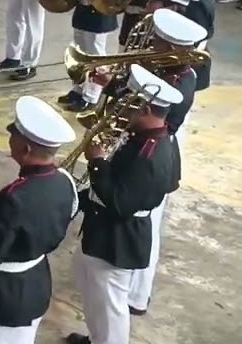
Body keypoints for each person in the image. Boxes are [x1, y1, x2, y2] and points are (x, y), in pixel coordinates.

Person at [68, 62, 183, 344]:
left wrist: (97, 162)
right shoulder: (159, 137)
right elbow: (172, 181)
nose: (122, 110)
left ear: (145, 110)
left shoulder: (149, 152)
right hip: (105, 232)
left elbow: (120, 203)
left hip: (117, 240)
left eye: (130, 105)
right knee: (94, 293)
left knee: (110, 308)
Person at [0, 96, 77, 344]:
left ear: (26, 149)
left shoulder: (14, 197)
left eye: (14, 136)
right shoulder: (65, 181)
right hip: (35, 284)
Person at [124, 9, 208, 319]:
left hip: (156, 152)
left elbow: (151, 115)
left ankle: (136, 294)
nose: (153, 46)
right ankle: (134, 292)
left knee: (146, 224)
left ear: (172, 51)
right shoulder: (179, 73)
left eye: (159, 44)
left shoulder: (177, 82)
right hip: (157, 147)